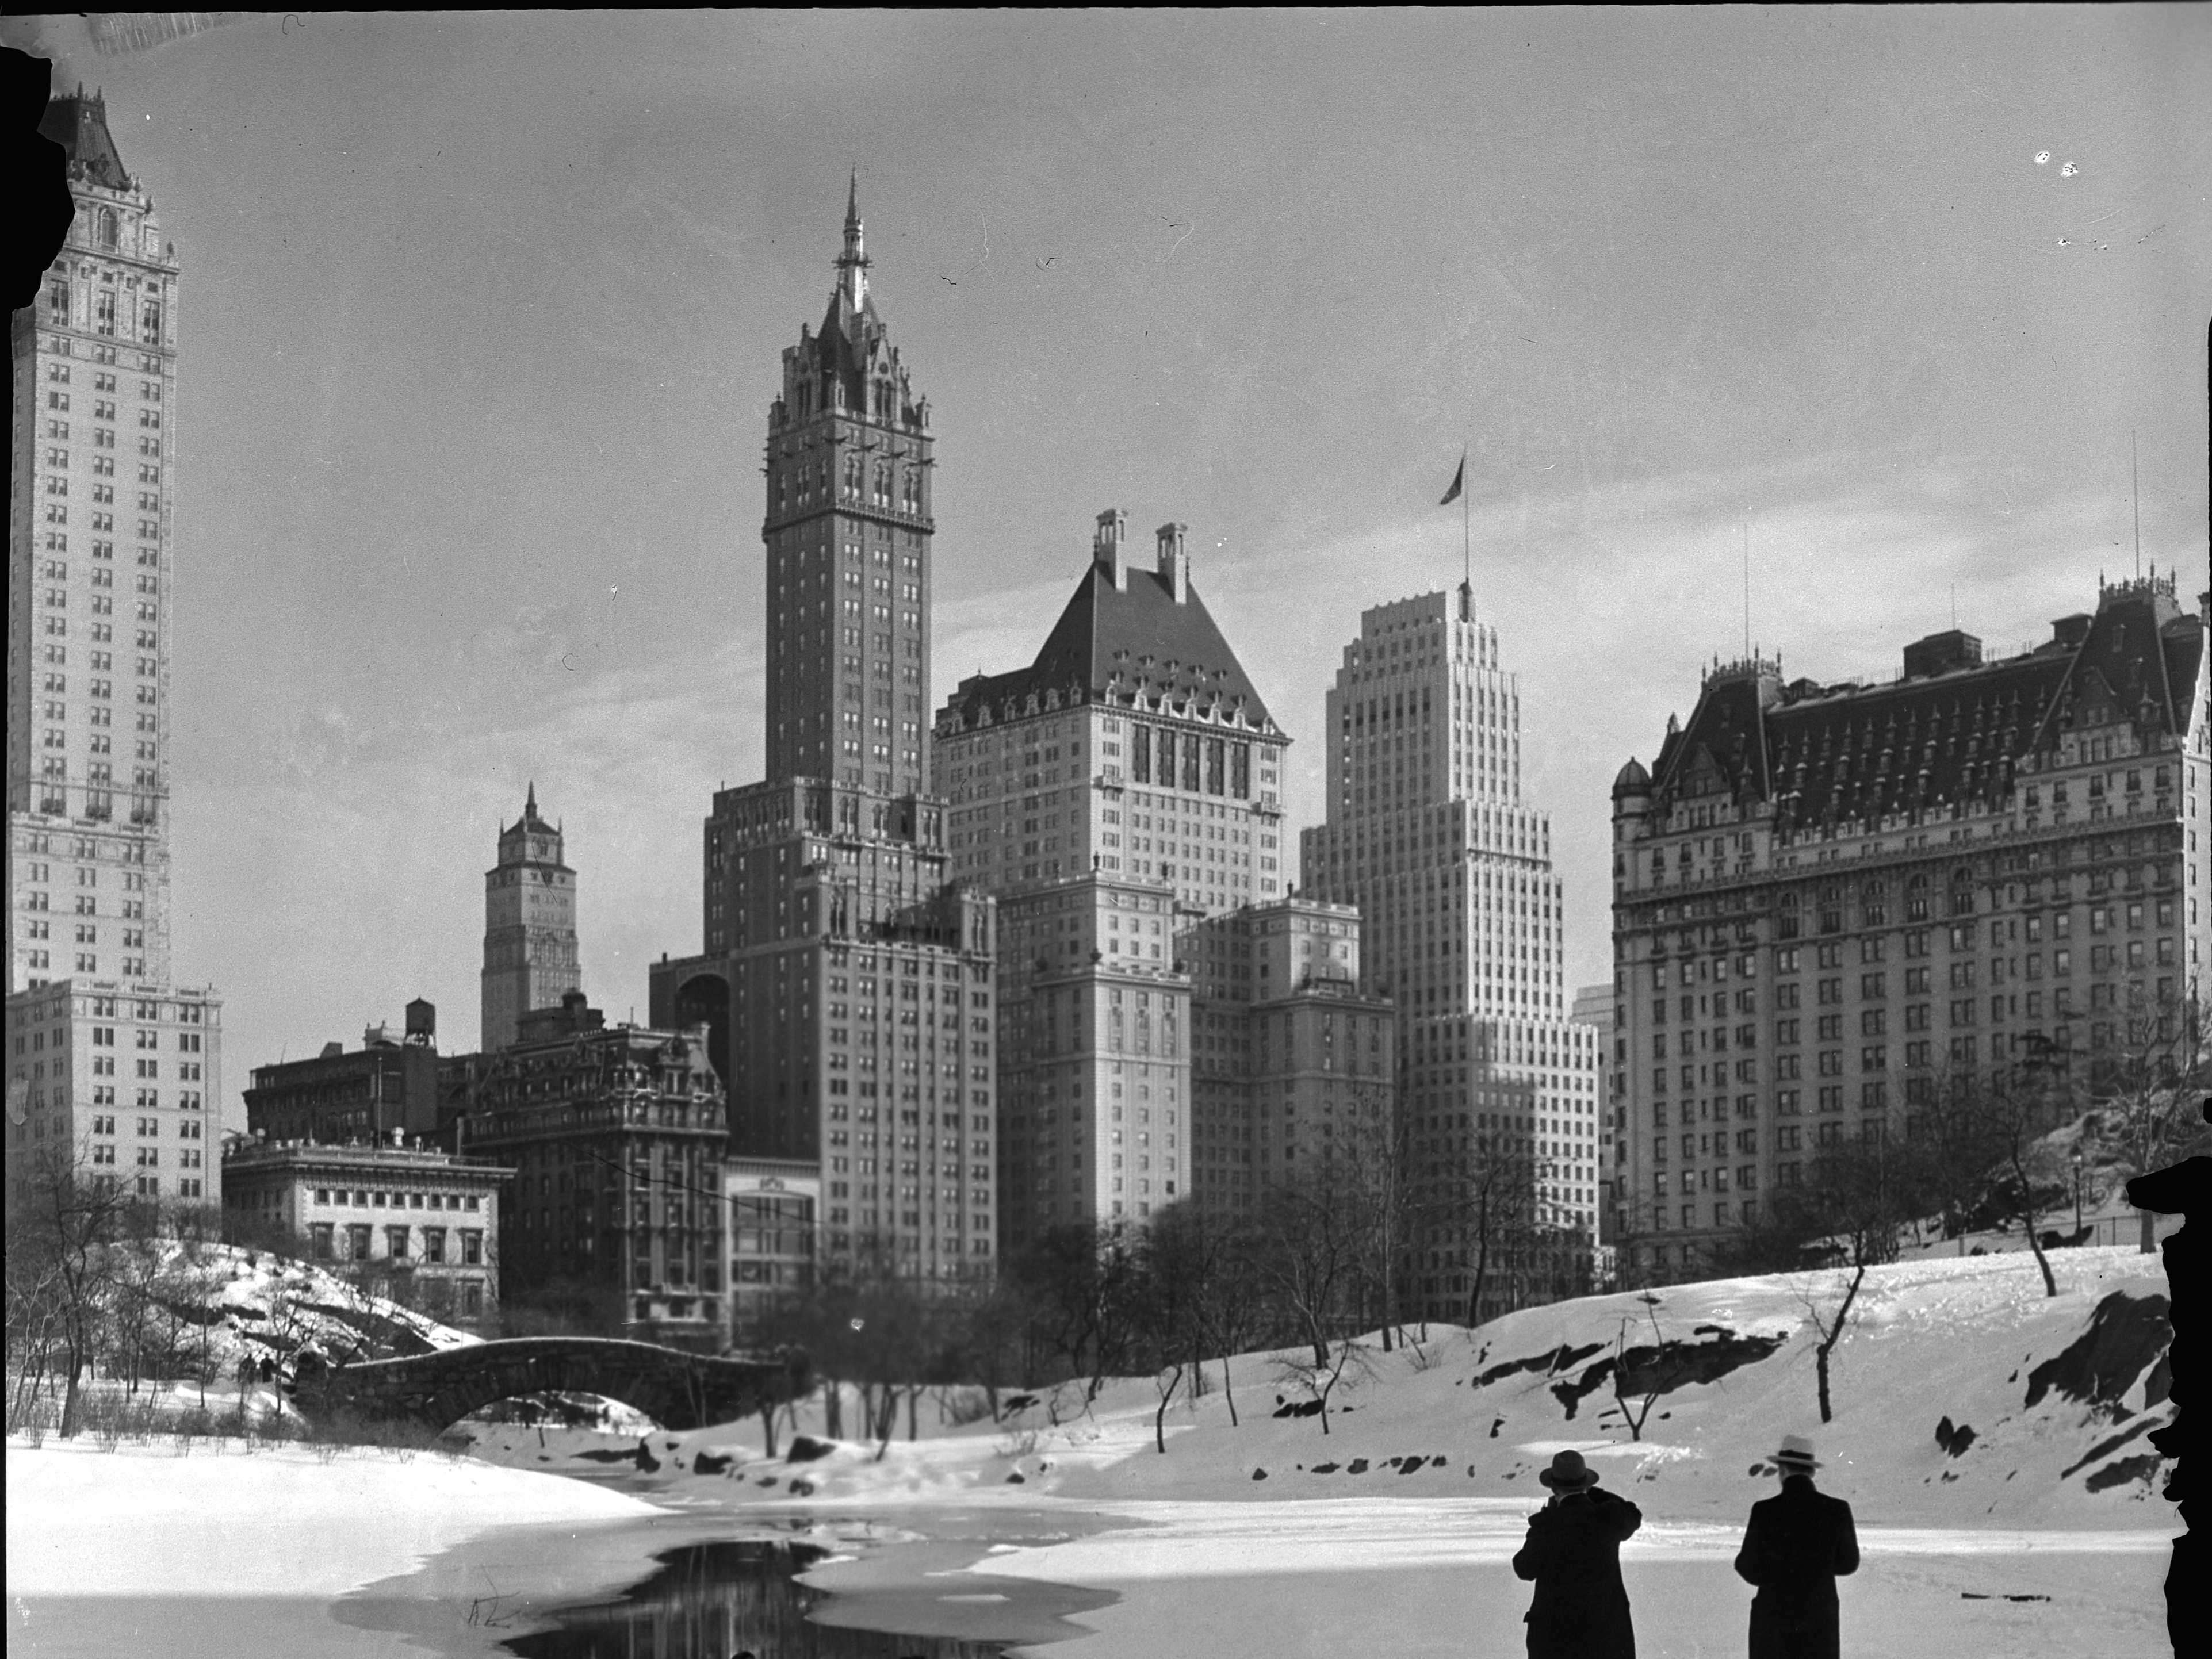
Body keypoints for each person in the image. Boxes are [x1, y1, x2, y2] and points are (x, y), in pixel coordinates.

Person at [1733, 1435, 1860, 1659]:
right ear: (1812, 1472)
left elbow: (1750, 1569)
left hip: (1772, 1623)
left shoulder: (1765, 1511)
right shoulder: (1837, 1510)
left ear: (1782, 1470)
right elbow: (1849, 1563)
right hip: (1820, 1621)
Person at [1511, 1449, 1643, 1659]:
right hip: (1606, 1639)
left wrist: (1544, 1521)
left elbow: (1524, 1568)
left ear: (1554, 1488)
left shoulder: (1548, 1525)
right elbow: (1632, 1512)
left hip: (1556, 1640)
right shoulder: (1607, 1518)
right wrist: (1594, 1494)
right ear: (1586, 1485)